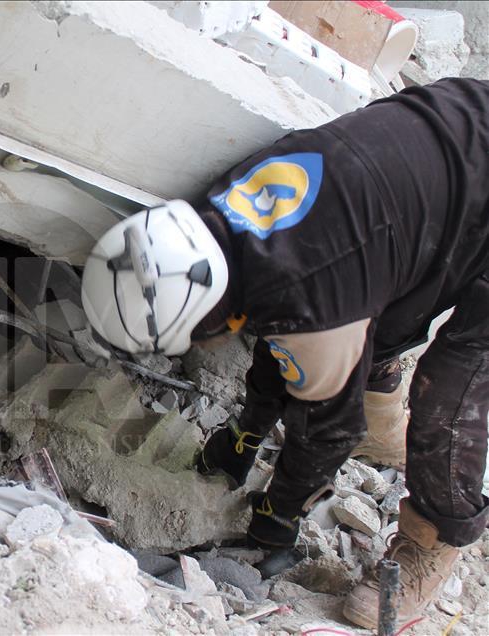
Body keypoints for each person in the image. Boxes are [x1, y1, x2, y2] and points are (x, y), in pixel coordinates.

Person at [80, 78, 488, 628]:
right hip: (451, 140)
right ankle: (384, 423)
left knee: (450, 394)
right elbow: (281, 315)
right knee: (375, 309)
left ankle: (435, 538)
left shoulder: (311, 301)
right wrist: (243, 435)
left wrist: (281, 511)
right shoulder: (210, 219)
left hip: (460, 165)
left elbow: (329, 429)